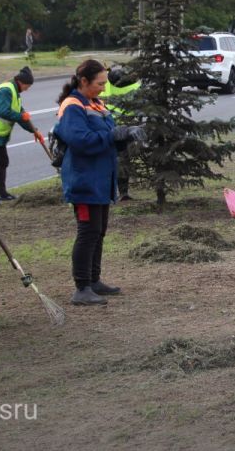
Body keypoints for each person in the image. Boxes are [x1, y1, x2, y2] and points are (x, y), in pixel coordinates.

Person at [55, 59, 143, 306]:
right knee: (88, 232)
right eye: (100, 83)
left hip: (101, 179)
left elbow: (108, 137)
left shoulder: (96, 103)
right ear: (84, 82)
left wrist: (126, 134)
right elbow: (81, 140)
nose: (104, 88)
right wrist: (112, 135)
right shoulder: (72, 106)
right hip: (83, 179)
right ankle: (81, 287)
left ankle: (94, 280)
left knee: (99, 231)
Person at [0, 65, 43, 206]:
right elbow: (4, 112)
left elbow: (21, 117)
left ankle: (2, 193)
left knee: (3, 162)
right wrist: (21, 116)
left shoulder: (15, 94)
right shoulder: (6, 90)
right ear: (21, 82)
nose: (27, 89)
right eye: (27, 86)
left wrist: (34, 130)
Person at [100, 65, 141, 201]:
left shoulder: (105, 85)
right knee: (121, 160)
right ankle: (119, 192)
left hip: (119, 130)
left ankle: (121, 192)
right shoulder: (134, 87)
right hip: (111, 129)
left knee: (120, 160)